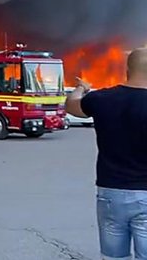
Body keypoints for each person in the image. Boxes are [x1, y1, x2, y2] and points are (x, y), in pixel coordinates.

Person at [65, 47, 147, 260]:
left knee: (113, 257)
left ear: (127, 69)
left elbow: (72, 107)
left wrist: (81, 88)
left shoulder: (102, 98)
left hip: (111, 194)